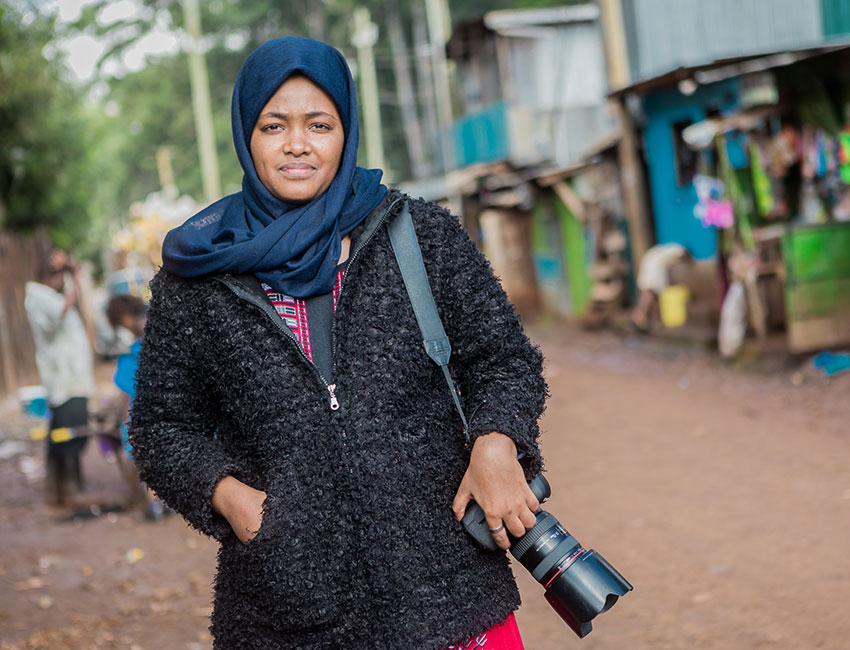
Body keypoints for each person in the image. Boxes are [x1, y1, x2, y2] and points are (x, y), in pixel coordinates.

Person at [129, 37, 547, 650]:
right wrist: (235, 502)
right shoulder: (197, 280)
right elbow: (162, 427)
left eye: (318, 124)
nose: (297, 143)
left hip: (451, 597)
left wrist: (495, 440)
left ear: (345, 131)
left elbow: (503, 360)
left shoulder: (420, 235)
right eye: (275, 125)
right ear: (247, 134)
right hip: (286, 613)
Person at [25, 250, 94, 508]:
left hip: (70, 377)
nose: (60, 280)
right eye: (56, 274)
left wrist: (70, 269)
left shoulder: (48, 296)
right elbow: (60, 312)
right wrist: (74, 278)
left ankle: (62, 490)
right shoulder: (39, 298)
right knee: (69, 434)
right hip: (64, 378)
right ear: (45, 276)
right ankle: (70, 491)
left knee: (65, 433)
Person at [629, 242, 693, 332]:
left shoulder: (669, 249)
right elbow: (674, 265)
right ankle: (639, 316)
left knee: (654, 295)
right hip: (654, 268)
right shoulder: (679, 250)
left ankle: (655, 321)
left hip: (650, 263)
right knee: (649, 293)